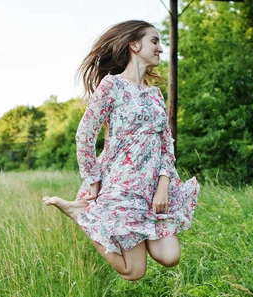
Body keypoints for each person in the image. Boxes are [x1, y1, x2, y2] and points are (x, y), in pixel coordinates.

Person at [43, 20, 199, 281]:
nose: (160, 48)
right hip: (122, 186)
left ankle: (85, 214)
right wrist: (92, 177)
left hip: (151, 189)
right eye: (154, 41)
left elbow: (166, 144)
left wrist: (163, 184)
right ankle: (81, 214)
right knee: (134, 270)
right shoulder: (111, 86)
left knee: (170, 256)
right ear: (134, 45)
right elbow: (85, 134)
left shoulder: (155, 95)